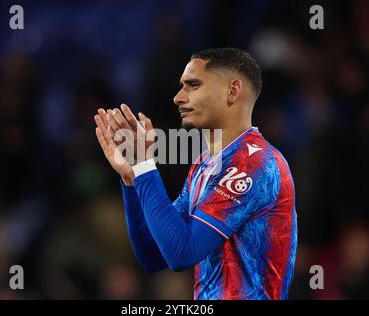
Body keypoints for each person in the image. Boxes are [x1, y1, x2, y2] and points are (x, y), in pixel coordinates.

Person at [94, 48, 297, 300]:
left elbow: (182, 254)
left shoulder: (257, 162)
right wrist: (132, 177)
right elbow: (154, 256)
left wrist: (145, 165)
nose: (178, 97)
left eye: (193, 85)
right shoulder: (205, 165)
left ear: (233, 91)